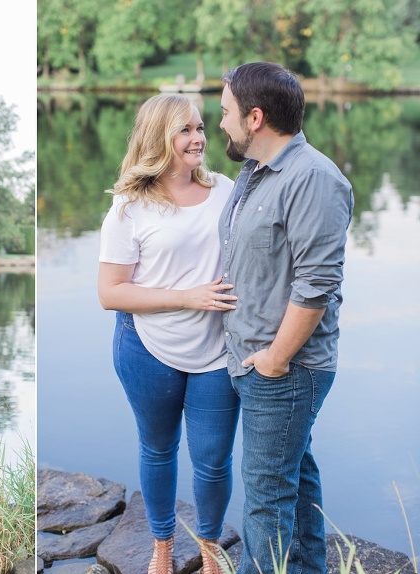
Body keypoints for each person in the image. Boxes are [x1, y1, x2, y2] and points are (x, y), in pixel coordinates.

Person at [217, 62, 353, 574]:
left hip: (286, 368)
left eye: (226, 112)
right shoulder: (253, 172)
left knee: (266, 499)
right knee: (294, 483)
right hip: (256, 361)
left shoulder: (313, 178)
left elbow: (316, 287)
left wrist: (274, 359)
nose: (220, 123)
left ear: (255, 118)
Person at [97, 94, 240, 574]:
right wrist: (189, 296)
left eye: (201, 127)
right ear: (159, 137)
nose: (199, 137)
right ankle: (161, 546)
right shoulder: (129, 208)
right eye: (185, 130)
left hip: (218, 349)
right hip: (147, 349)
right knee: (158, 449)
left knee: (214, 459)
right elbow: (111, 293)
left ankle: (210, 547)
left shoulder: (226, 190)